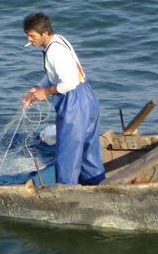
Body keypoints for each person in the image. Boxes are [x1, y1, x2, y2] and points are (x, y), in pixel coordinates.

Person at [22, 12, 105, 185]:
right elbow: (58, 75)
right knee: (88, 150)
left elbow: (68, 83)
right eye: (28, 35)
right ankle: (96, 184)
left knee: (68, 153)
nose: (30, 40)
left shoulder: (53, 52)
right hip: (88, 98)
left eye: (32, 36)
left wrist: (45, 92)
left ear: (44, 33)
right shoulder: (58, 40)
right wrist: (38, 87)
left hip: (73, 101)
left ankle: (68, 194)